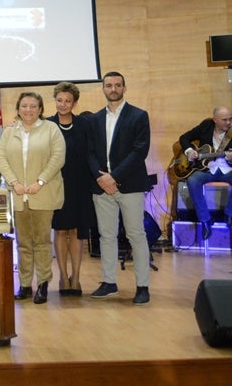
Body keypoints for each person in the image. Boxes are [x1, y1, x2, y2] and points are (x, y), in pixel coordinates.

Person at [86, 71, 153, 305]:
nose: (113, 89)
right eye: (108, 85)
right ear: (103, 89)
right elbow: (90, 153)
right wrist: (101, 178)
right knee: (106, 235)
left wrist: (114, 177)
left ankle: (142, 286)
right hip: (102, 187)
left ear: (124, 88)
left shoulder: (138, 116)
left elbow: (139, 151)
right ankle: (109, 283)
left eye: (117, 85)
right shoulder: (94, 120)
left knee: (136, 235)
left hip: (130, 185)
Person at [0, 92, 65, 304]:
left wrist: (40, 182)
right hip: (18, 197)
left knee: (42, 242)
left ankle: (43, 283)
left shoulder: (51, 129)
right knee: (23, 243)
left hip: (42, 194)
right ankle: (25, 284)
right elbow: (1, 158)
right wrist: (14, 183)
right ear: (18, 108)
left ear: (40, 109)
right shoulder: (9, 132)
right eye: (24, 106)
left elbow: (58, 157)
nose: (28, 110)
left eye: (33, 106)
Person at [47, 82, 97, 296]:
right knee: (60, 230)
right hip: (56, 183)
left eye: (68, 101)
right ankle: (62, 278)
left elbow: (92, 153)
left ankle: (75, 278)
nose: (63, 104)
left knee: (77, 231)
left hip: (80, 184)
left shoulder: (85, 124)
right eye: (59, 100)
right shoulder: (47, 124)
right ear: (55, 101)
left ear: (75, 102)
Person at [177, 106, 232, 239]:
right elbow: (184, 138)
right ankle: (205, 220)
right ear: (215, 120)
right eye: (224, 120)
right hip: (207, 169)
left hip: (228, 170)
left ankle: (230, 214)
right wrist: (189, 151)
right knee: (192, 180)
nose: (228, 122)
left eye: (230, 119)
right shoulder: (206, 126)